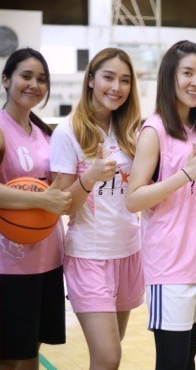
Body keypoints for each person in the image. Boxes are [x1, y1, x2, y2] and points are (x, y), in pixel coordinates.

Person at [0, 48, 72, 370]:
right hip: (8, 264)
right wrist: (41, 200)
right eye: (26, 76)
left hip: (48, 259)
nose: (34, 84)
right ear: (6, 80)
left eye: (42, 79)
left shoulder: (44, 133)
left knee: (29, 355)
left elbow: (58, 187)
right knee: (5, 361)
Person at [125, 40, 196, 370]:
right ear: (170, 77)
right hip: (171, 268)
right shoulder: (154, 129)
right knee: (171, 363)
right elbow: (133, 198)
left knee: (187, 361)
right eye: (187, 73)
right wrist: (183, 175)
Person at [49, 47, 144, 370]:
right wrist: (89, 178)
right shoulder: (67, 132)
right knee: (107, 357)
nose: (116, 87)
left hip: (129, 252)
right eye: (108, 77)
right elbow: (63, 205)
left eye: (125, 80)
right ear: (90, 80)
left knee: (111, 354)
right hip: (89, 256)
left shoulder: (130, 130)